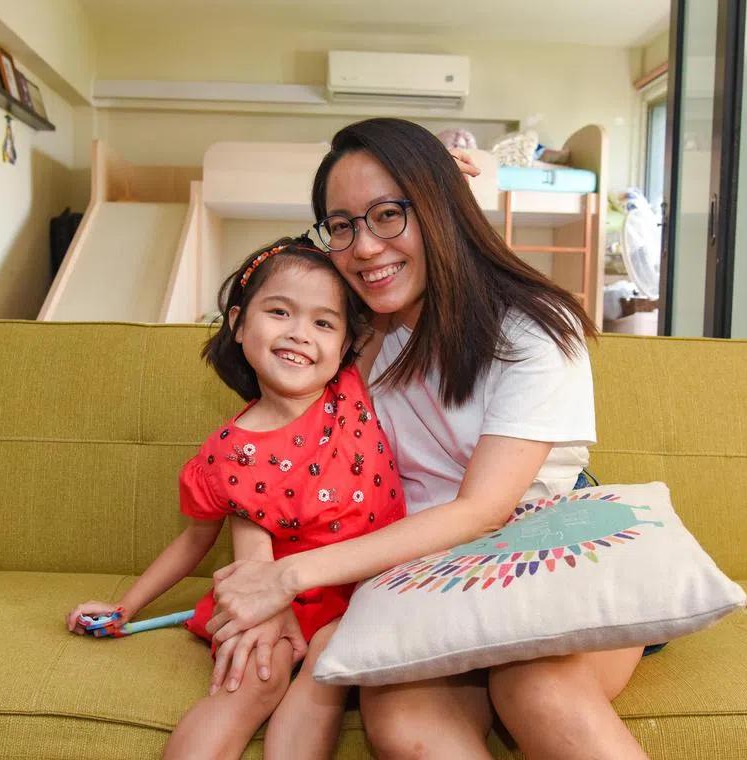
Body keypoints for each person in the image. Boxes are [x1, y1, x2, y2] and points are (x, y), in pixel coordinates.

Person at [204, 119, 651, 759]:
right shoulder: (348, 339)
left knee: (538, 691)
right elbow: (267, 462)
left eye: (388, 215)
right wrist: (259, 581)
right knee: (406, 727)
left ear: (440, 208)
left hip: (546, 547)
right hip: (428, 574)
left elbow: (482, 509)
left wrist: (286, 579)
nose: (363, 248)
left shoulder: (534, 331)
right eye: (342, 225)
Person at [65, 236, 407, 760]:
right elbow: (194, 542)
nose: (299, 333)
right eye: (279, 311)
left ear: (345, 346)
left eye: (323, 322)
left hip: (370, 585)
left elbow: (388, 278)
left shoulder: (349, 387)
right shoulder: (226, 454)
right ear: (239, 323)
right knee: (253, 678)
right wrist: (124, 605)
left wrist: (435, 189)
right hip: (275, 593)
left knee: (324, 658)